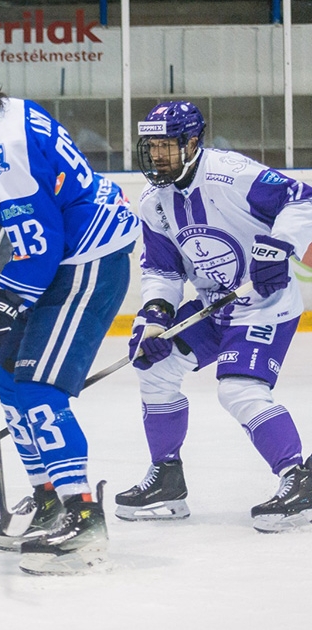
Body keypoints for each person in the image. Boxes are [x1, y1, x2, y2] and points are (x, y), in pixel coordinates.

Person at [0, 51, 141, 575]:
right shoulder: (3, 116)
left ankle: (82, 514)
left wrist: (2, 301)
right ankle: (48, 498)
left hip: (88, 261)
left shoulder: (3, 149)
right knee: (11, 381)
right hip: (66, 252)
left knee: (40, 387)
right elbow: (41, 193)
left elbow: (42, 249)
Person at [115, 101, 312, 533]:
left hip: (265, 304)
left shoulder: (231, 174)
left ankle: (298, 477)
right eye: (151, 147)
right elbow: (162, 269)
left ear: (191, 143)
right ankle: (167, 479)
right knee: (155, 367)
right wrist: (155, 316)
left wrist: (280, 246)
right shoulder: (154, 202)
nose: (156, 157)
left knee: (238, 389)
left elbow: (303, 199)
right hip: (214, 305)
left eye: (166, 146)